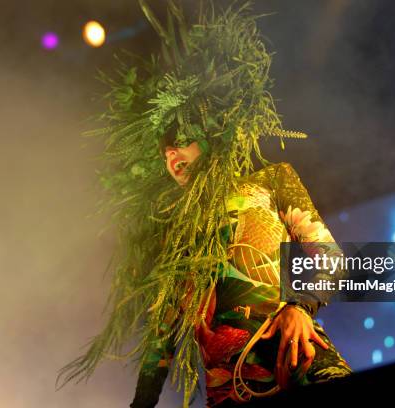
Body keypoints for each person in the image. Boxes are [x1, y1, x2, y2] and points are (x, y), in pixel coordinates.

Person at [56, 1, 351, 407]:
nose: (171, 155)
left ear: (214, 140)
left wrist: (301, 307)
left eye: (182, 139)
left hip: (294, 355)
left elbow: (330, 256)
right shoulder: (171, 238)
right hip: (227, 390)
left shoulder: (270, 180)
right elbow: (162, 336)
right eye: (165, 151)